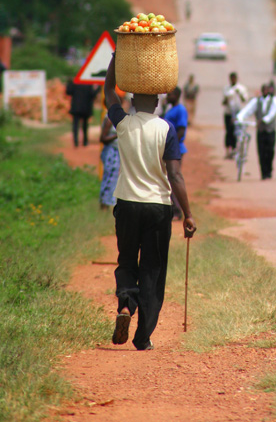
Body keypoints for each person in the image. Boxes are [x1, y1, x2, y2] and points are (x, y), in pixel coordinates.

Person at [104, 53, 196, 351]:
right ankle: (142, 337)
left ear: (131, 100)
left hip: (127, 204)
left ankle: (126, 305)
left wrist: (116, 60)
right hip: (158, 207)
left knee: (127, 260)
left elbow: (108, 93)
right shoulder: (166, 129)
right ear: (157, 102)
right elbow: (175, 175)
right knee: (153, 270)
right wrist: (188, 214)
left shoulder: (123, 123)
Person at [235, 81, 276, 180]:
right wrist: (239, 117)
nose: (265, 91)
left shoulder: (274, 100)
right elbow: (248, 110)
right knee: (261, 152)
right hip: (261, 131)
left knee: (270, 151)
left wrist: (263, 120)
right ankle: (263, 173)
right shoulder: (257, 101)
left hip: (270, 130)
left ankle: (269, 170)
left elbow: (272, 113)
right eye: (263, 90)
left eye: (266, 89)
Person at [162, 87, 189, 220]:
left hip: (176, 149)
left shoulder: (180, 110)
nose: (168, 96)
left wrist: (171, 146)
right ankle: (172, 207)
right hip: (169, 149)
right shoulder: (169, 109)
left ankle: (177, 210)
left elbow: (181, 130)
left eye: (171, 94)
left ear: (177, 95)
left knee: (174, 178)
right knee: (168, 179)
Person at [99, 97, 121, 210]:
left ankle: (106, 203)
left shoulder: (114, 118)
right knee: (109, 177)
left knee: (112, 177)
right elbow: (103, 138)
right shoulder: (109, 119)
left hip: (115, 151)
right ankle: (104, 204)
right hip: (110, 151)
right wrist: (117, 135)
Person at [65, 80, 100, 147]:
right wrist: (98, 88)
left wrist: (69, 83)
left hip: (76, 107)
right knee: (85, 126)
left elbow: (68, 92)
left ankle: (76, 142)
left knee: (75, 126)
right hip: (86, 108)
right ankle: (85, 142)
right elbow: (93, 95)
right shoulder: (88, 83)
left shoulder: (75, 82)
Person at [222, 72, 248, 159]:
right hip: (228, 113)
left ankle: (235, 150)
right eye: (231, 78)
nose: (233, 80)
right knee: (228, 131)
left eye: (234, 78)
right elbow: (223, 102)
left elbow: (244, 100)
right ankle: (228, 151)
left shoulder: (241, 88)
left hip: (238, 114)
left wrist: (239, 93)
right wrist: (227, 97)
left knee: (236, 132)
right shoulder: (226, 88)